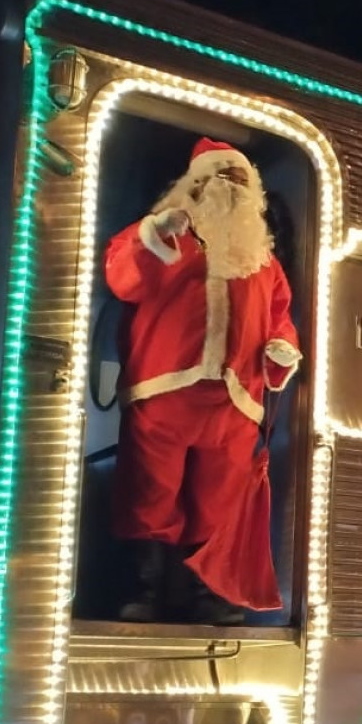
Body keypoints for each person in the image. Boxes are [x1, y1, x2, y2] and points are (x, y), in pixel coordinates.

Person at [102, 137, 302, 624]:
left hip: (234, 402)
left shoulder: (265, 263)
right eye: (219, 176)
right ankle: (143, 590)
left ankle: (210, 597)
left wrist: (282, 350)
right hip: (164, 389)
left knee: (221, 501)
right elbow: (122, 279)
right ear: (194, 184)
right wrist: (154, 234)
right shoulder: (165, 238)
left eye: (237, 178)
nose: (228, 187)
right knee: (150, 491)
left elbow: (279, 317)